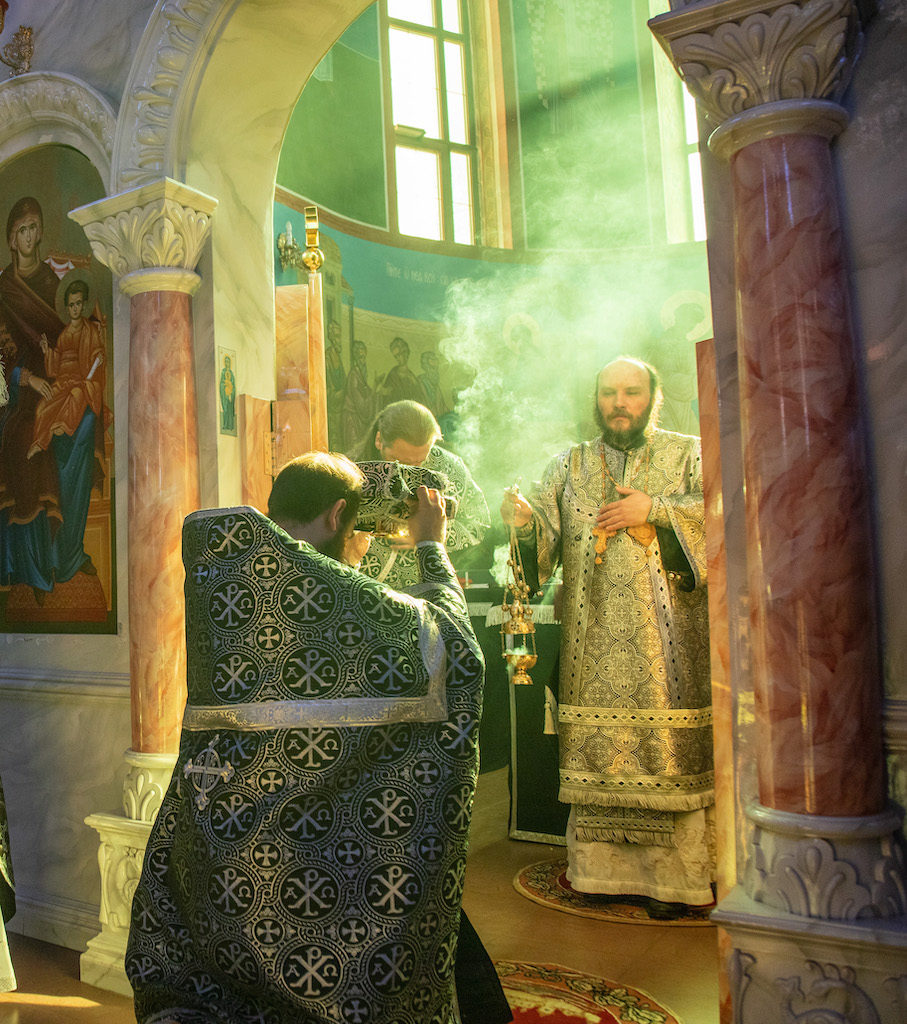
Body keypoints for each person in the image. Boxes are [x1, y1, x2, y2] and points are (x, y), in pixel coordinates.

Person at [125, 452, 510, 1024]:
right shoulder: (337, 599)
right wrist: (431, 546)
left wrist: (351, 566)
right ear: (336, 516)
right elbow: (456, 653)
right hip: (319, 865)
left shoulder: (230, 573)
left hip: (226, 854)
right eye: (354, 530)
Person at [501, 356, 714, 917]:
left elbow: (724, 515)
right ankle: (601, 875)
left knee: (666, 758)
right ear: (596, 399)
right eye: (609, 392)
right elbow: (538, 555)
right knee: (597, 762)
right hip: (589, 648)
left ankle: (673, 884)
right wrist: (523, 523)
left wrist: (657, 509)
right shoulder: (568, 466)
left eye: (632, 392)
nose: (620, 402)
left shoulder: (691, 454)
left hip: (668, 653)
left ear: (654, 398)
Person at [0, 196, 65, 599]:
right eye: (21, 230)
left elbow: (68, 338)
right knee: (19, 439)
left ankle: (43, 563)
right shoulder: (2, 289)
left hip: (54, 380)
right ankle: (17, 566)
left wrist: (51, 368)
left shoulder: (53, 285)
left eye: (33, 228)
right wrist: (25, 378)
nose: (28, 236)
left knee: (39, 439)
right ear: (12, 239)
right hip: (14, 390)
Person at [352, 400, 490, 588]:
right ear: (379, 440)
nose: (410, 470)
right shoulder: (349, 470)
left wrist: (428, 536)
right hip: (365, 586)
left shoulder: (450, 469)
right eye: (399, 461)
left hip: (425, 589)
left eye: (419, 461)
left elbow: (478, 523)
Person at [28, 279, 110, 583]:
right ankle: (42, 438)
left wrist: (96, 362)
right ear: (67, 307)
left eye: (79, 304)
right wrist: (47, 351)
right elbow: (55, 368)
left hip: (82, 387)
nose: (75, 309)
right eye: (71, 305)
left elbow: (96, 362)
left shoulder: (91, 331)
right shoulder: (65, 334)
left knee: (77, 397)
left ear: (84, 305)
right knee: (42, 408)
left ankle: (61, 426)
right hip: (65, 384)